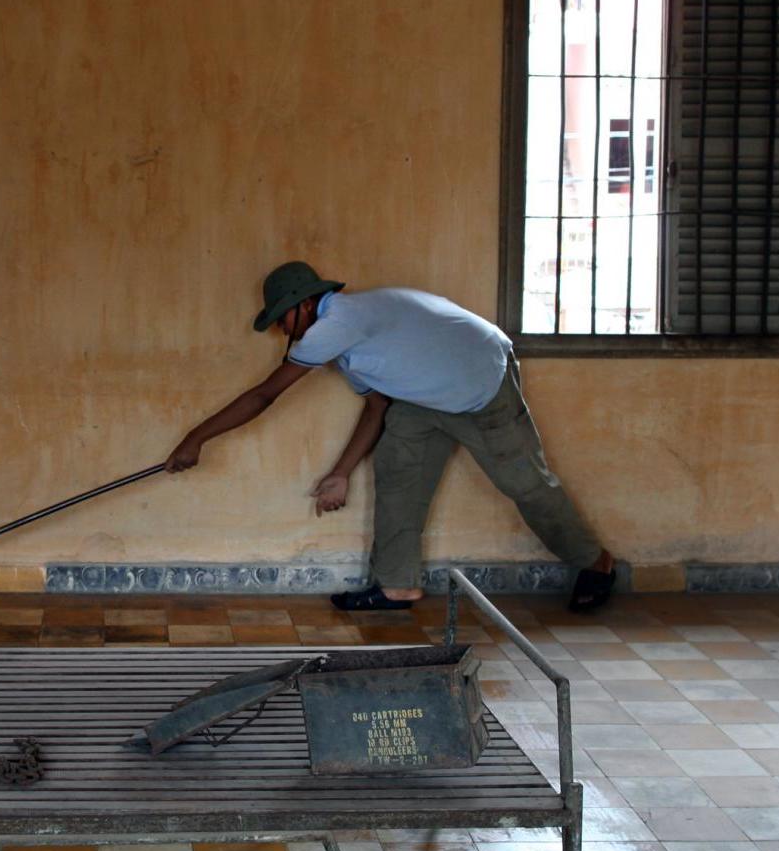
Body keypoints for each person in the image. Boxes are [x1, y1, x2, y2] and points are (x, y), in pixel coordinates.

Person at [167, 261, 617, 613]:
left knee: (524, 484)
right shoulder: (347, 348)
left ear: (304, 304)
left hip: (480, 384)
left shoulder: (337, 324)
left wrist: (196, 438)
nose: (281, 331)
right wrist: (341, 474)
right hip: (423, 397)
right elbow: (377, 408)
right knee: (398, 469)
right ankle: (395, 587)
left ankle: (596, 563)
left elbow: (266, 396)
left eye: (281, 319)